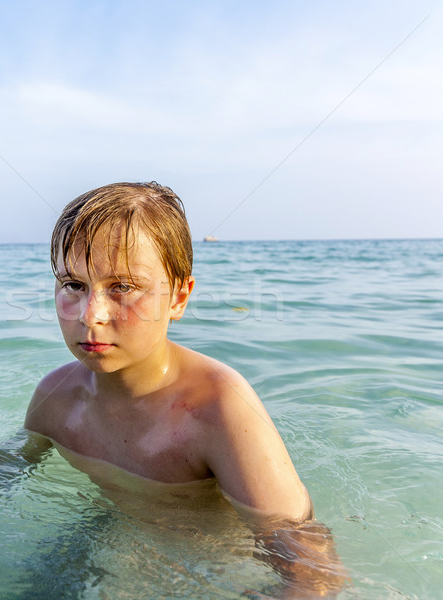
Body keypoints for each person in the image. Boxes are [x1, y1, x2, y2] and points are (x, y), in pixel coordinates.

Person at [24, 181, 348, 597]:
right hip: (112, 535)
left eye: (122, 287)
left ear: (178, 297)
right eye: (74, 285)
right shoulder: (56, 398)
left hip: (213, 569)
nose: (91, 314)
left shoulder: (219, 408)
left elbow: (314, 571)